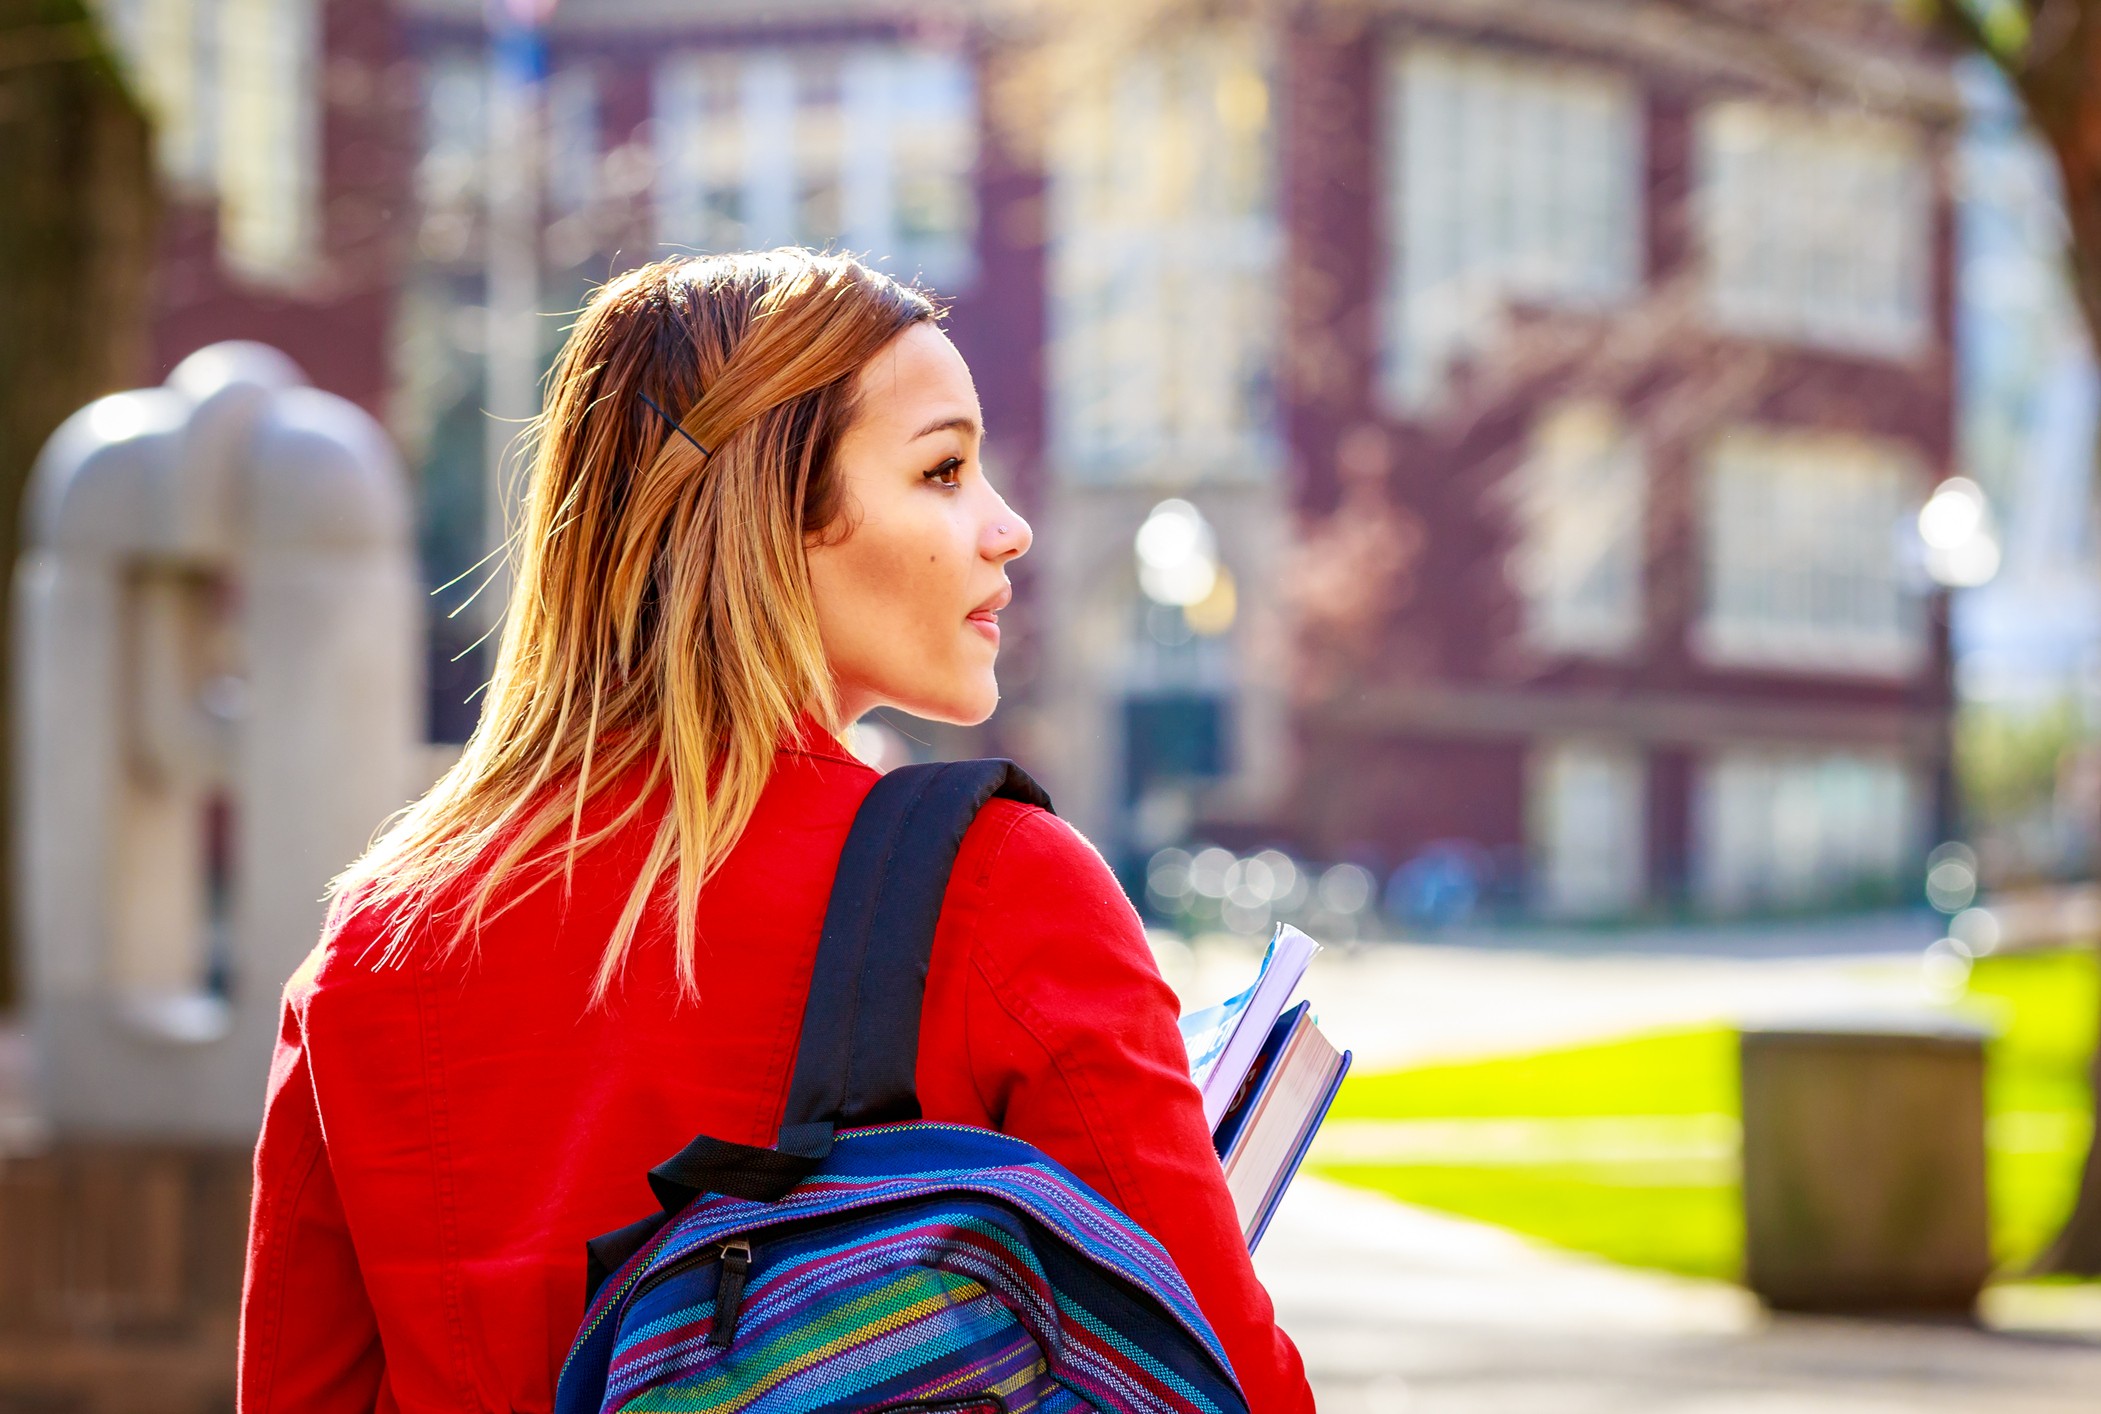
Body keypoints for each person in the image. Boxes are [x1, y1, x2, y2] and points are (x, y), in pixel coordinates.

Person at [238, 250, 1314, 1413]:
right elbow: (1224, 1382)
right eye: (943, 470)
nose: (1007, 529)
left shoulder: (377, 942)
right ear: (773, 514)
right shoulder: (1000, 887)